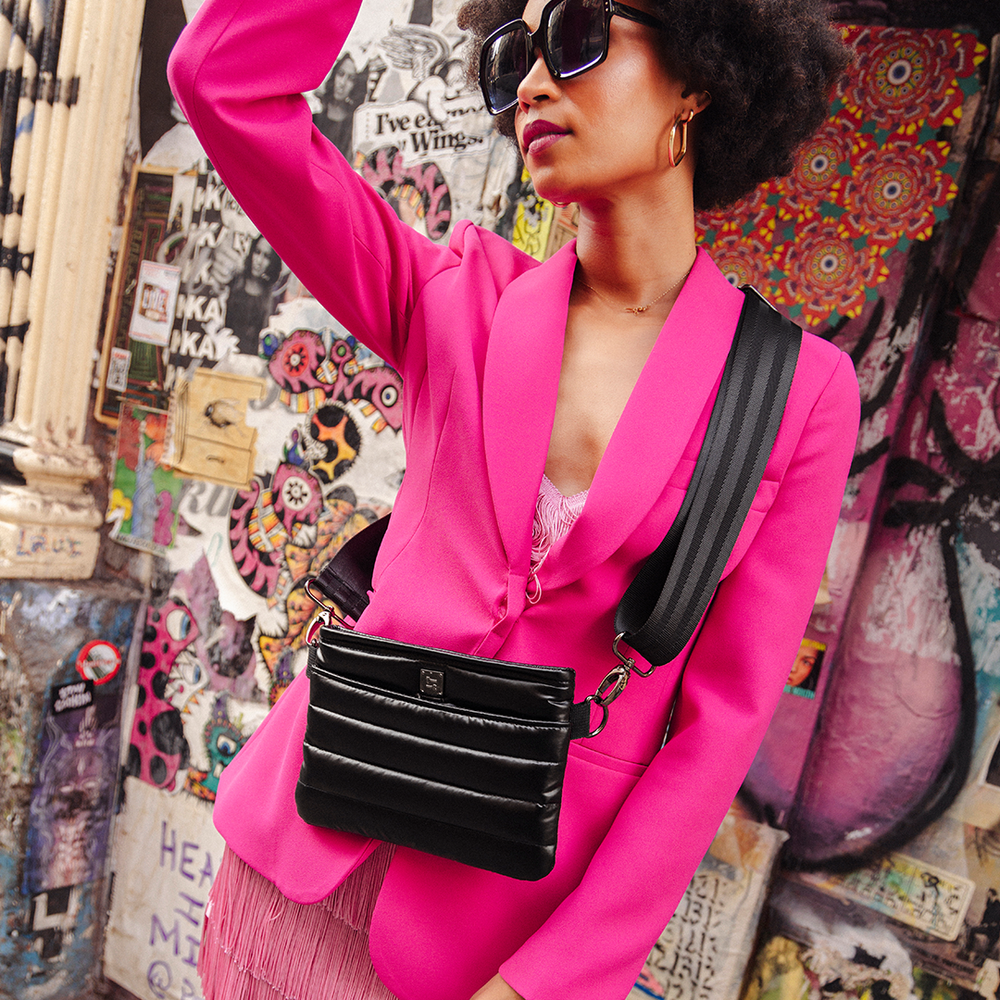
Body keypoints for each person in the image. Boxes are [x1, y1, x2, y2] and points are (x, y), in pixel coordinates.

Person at [167, 0, 858, 998]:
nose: (531, 82)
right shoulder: (454, 297)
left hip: (489, 952)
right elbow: (222, 86)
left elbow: (716, 735)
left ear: (701, 75)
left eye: (574, 35)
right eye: (510, 55)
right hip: (292, 872)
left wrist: (552, 981)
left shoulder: (794, 393)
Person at [224, 234, 283, 354]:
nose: (259, 261)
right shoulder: (235, 282)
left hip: (253, 359)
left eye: (266, 256)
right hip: (226, 353)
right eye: (257, 252)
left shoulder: (271, 295)